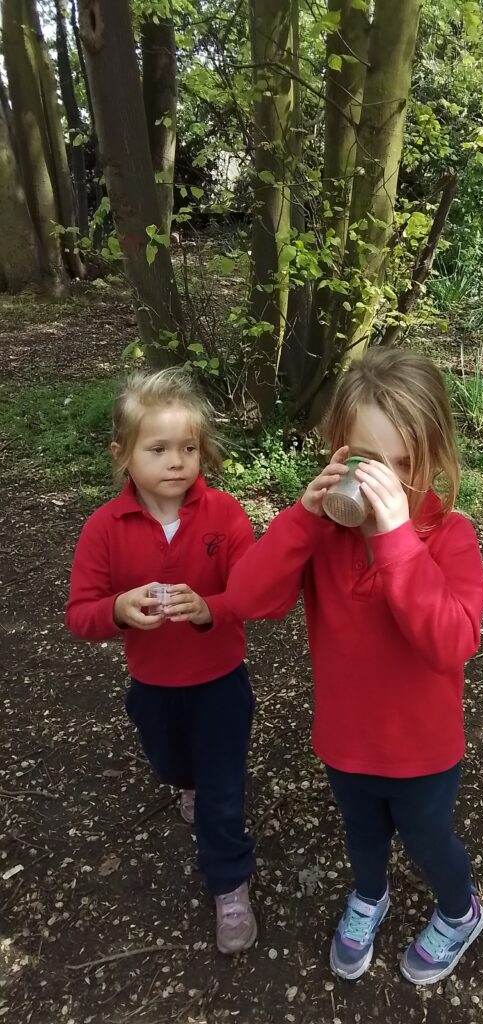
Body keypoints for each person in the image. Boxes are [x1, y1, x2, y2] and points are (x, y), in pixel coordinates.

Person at [227, 348, 483, 984]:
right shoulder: (320, 535)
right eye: (372, 464)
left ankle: (461, 911)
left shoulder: (450, 537)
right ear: (338, 452)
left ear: (432, 458)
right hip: (344, 742)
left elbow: (452, 641)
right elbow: (246, 600)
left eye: (406, 466)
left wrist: (397, 540)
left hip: (424, 753)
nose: (388, 485)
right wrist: (301, 518)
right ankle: (369, 895)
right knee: (362, 837)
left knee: (429, 843)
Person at [66, 368, 257, 955]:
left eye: (188, 448)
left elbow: (253, 592)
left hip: (221, 682)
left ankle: (229, 884)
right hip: (152, 685)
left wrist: (210, 609)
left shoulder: (223, 515)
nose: (176, 461)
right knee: (174, 763)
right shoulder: (105, 527)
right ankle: (186, 784)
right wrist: (119, 609)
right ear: (123, 455)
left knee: (223, 791)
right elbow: (80, 613)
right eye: (159, 449)